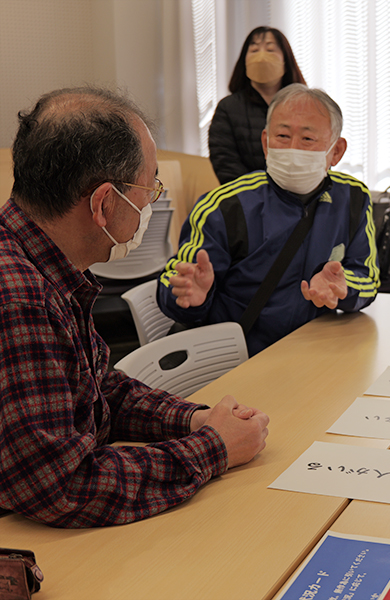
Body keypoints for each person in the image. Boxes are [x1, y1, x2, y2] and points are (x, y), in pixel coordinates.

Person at [0, 87, 270, 528]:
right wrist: (214, 448)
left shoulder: (42, 261)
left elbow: (95, 390)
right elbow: (61, 485)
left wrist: (196, 420)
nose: (151, 202)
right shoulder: (19, 297)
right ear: (104, 203)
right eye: (149, 188)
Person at [157, 84, 379, 356]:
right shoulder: (224, 206)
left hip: (313, 351)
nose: (293, 148)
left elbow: (367, 277)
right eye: (283, 136)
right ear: (265, 142)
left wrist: (343, 286)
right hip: (236, 358)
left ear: (336, 151)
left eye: (307, 139)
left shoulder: (353, 198)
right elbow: (175, 282)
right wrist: (189, 295)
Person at [209, 26, 306, 184]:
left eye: (270, 49)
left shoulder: (304, 106)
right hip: (246, 193)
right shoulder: (228, 108)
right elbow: (225, 163)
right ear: (244, 61)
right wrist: (258, 192)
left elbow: (318, 152)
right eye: (254, 50)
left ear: (285, 60)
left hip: (299, 191)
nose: (261, 57)